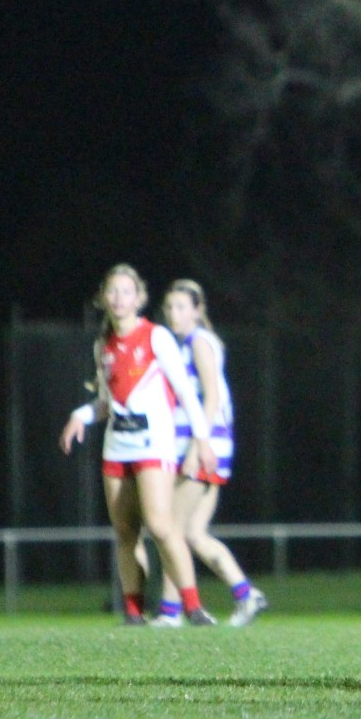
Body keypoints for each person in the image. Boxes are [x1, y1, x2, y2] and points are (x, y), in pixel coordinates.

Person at [61, 265, 218, 626]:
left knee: (161, 526)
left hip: (153, 444)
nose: (118, 298)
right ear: (103, 297)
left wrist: (202, 439)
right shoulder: (104, 345)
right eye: (112, 291)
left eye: (126, 291)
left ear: (139, 298)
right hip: (117, 447)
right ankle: (133, 612)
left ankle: (193, 606)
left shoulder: (156, 336)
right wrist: (80, 416)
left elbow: (184, 390)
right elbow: (106, 400)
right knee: (125, 532)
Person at [160, 279, 267, 627]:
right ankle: (246, 594)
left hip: (204, 444)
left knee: (169, 530)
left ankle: (170, 612)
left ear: (197, 310)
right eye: (169, 307)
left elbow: (212, 398)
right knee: (193, 533)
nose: (173, 314)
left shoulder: (199, 342)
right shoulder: (190, 342)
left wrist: (196, 444)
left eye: (181, 307)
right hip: (213, 444)